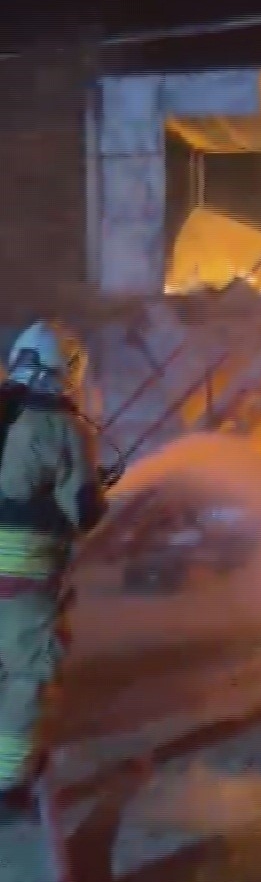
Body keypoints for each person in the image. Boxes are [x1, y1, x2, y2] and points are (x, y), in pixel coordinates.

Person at [0, 320, 108, 817]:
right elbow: (84, 513)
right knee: (26, 674)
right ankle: (7, 783)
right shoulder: (61, 426)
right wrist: (95, 490)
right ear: (68, 370)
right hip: (21, 583)